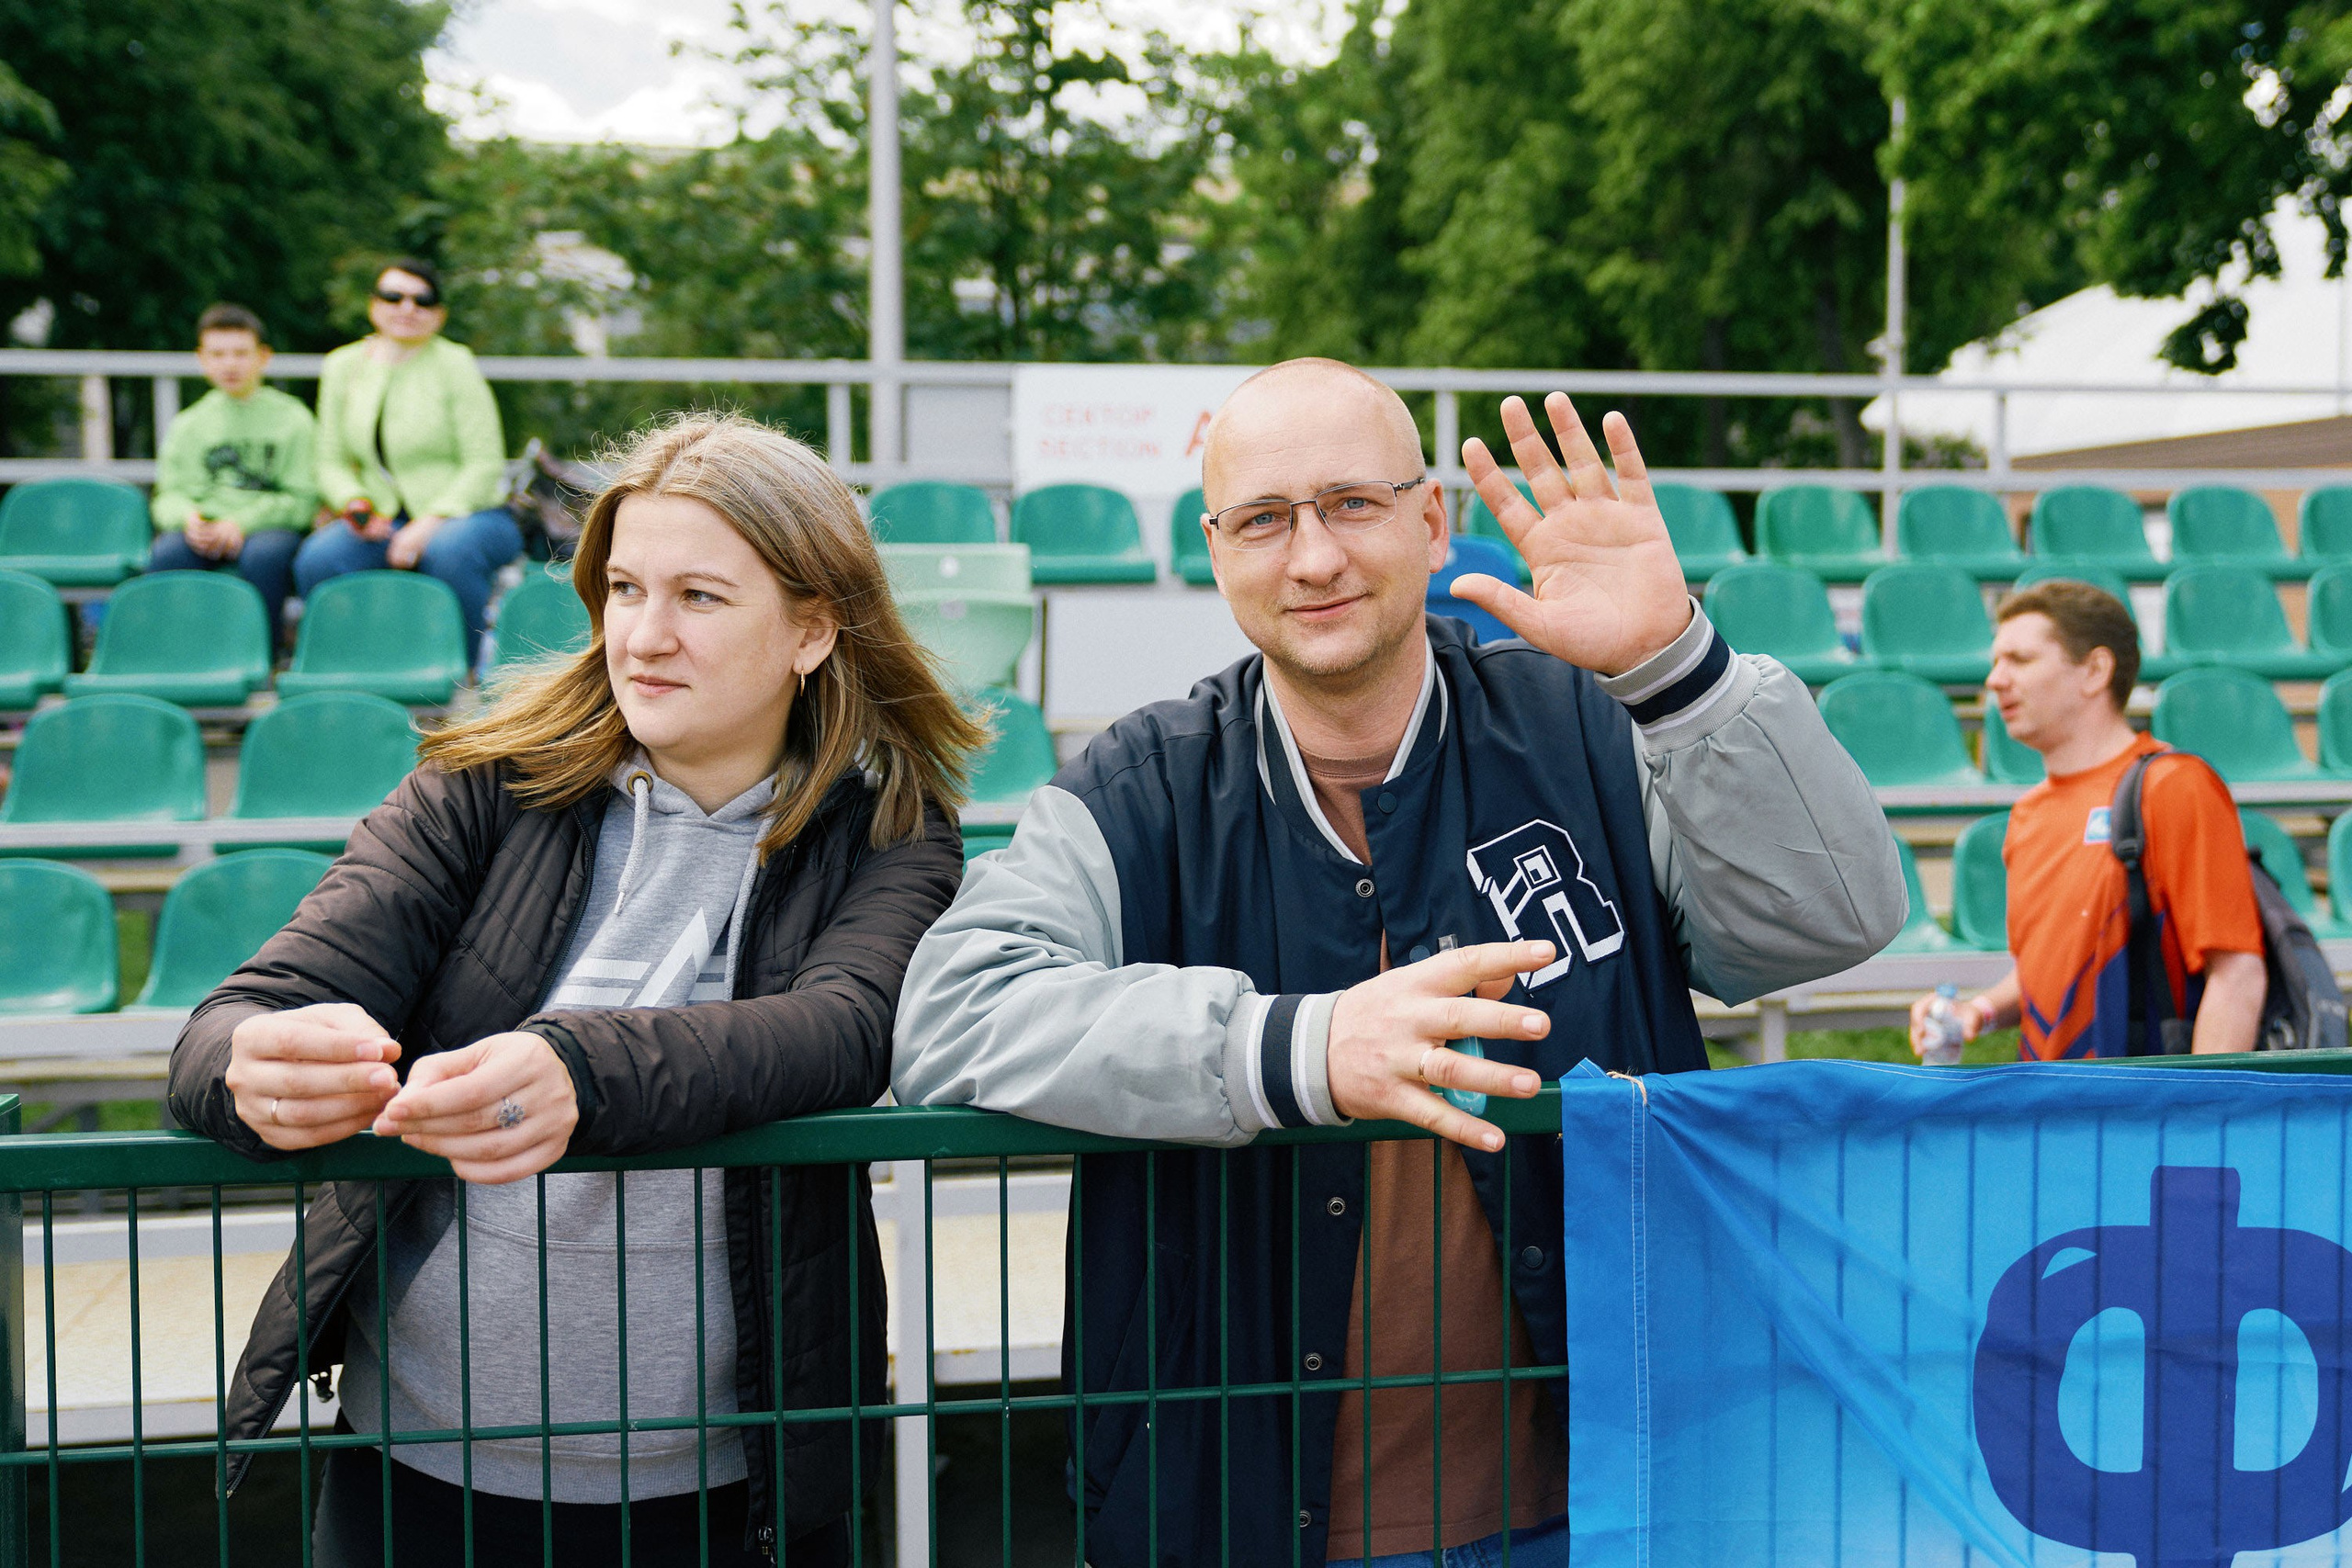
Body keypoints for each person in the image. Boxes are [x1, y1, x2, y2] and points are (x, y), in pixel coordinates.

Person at [892, 359, 1905, 1568]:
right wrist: (1292, 1048)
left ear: (1431, 523)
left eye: (1351, 504)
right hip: (1238, 1515)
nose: (1312, 556)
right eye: (1263, 520)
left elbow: (1829, 922)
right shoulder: (1141, 786)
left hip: (1619, 1497)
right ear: (1215, 552)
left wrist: (1676, 670)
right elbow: (949, 1012)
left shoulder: (1597, 725)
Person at [168, 413, 979, 1566]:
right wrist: (246, 1067)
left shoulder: (892, 832)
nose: (643, 636)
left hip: (732, 1486)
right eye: (625, 589)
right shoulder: (475, 790)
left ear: (811, 629)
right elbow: (243, 1014)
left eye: (700, 597)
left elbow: (843, 1031)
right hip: (419, 1467)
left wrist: (576, 1069)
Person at [1909, 578, 2266, 1059]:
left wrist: (2199, 1102)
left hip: (2144, 1100)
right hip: (2051, 1099)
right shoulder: (2028, 814)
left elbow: (2237, 974)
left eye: (2020, 660)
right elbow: (2050, 972)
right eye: (1995, 662)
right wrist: (1979, 1010)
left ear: (2095, 671)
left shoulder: (2175, 787)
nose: (1995, 680)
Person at [294, 257, 518, 667]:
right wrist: (355, 504)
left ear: (439, 314)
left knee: (449, 552)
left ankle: (461, 672)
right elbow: (330, 459)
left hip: (468, 515)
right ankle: (355, 665)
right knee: (320, 558)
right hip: (380, 517)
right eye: (393, 296)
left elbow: (484, 464)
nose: (407, 308)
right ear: (373, 305)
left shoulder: (456, 363)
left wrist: (428, 524)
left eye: (422, 300)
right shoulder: (342, 366)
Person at [148, 303, 317, 649]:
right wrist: (188, 518)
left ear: (263, 357)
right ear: (202, 359)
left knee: (264, 556)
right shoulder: (189, 423)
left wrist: (241, 523)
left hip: (267, 528)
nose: (230, 364)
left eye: (241, 353)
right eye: (218, 354)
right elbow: (168, 495)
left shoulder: (294, 418)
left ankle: (261, 655)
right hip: (206, 529)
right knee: (169, 554)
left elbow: (303, 499)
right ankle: (178, 651)